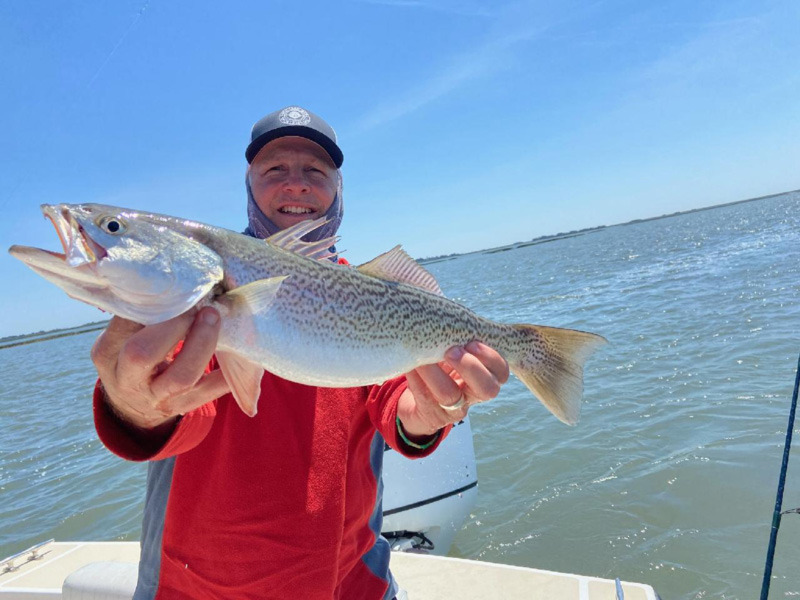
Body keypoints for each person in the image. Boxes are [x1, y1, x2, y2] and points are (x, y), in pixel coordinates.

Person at [91, 106, 510, 600]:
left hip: (355, 586)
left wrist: (430, 414)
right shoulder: (195, 290)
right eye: (275, 171)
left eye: (315, 170)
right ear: (249, 186)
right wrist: (133, 408)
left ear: (337, 189)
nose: (296, 184)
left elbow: (399, 402)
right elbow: (177, 405)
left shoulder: (368, 294)